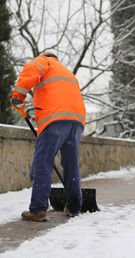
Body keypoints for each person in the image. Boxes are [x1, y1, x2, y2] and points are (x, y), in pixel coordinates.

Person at [11, 52, 86, 221]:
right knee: (70, 163)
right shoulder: (67, 72)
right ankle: (74, 206)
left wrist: (18, 96)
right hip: (76, 120)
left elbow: (31, 69)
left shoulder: (44, 62)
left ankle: (38, 209)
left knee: (42, 163)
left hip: (54, 119)